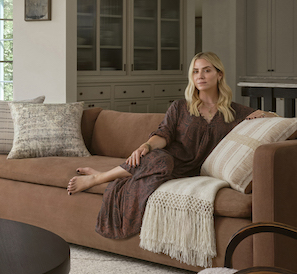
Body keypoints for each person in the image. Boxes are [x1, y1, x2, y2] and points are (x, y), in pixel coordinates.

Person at [67, 52, 277, 240]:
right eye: (195, 72)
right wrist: (146, 146)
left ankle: (104, 177)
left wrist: (263, 114)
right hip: (166, 161)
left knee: (154, 167)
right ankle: (97, 178)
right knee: (160, 158)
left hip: (192, 170)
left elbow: (274, 119)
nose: (200, 76)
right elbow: (164, 135)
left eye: (206, 70)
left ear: (219, 75)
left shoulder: (233, 112)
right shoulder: (180, 107)